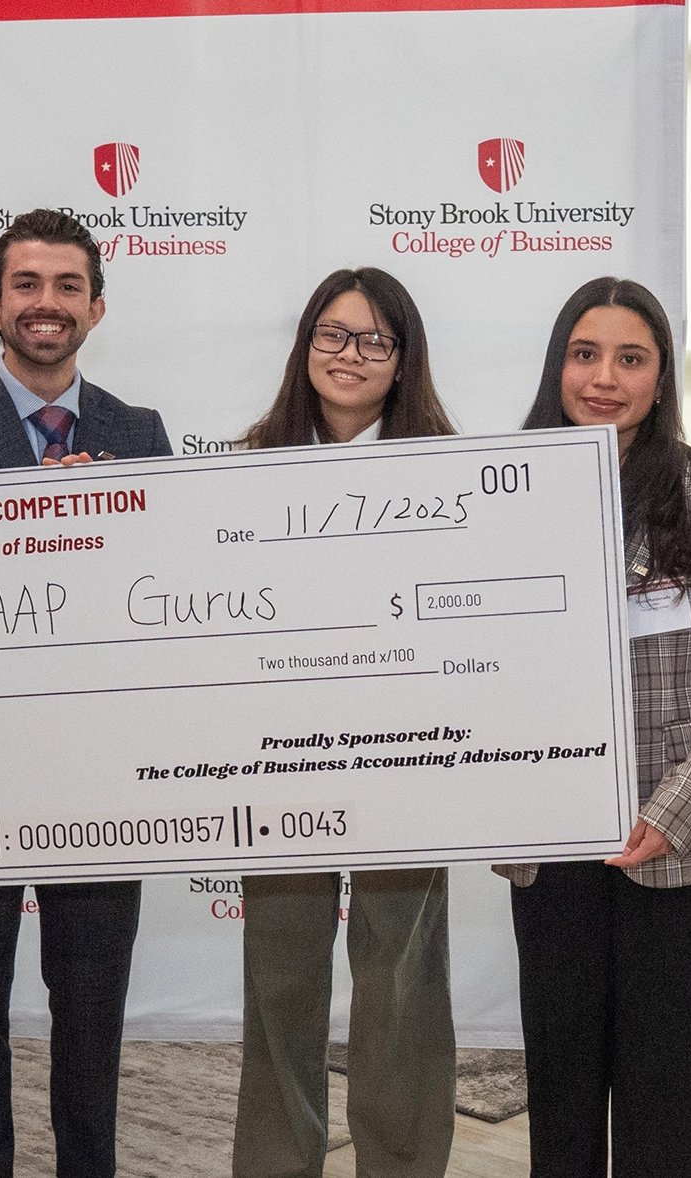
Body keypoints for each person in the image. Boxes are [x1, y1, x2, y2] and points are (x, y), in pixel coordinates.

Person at [0, 207, 172, 1178]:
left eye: (66, 286)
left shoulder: (140, 435)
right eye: (25, 284)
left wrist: (104, 528)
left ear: (97, 307)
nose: (45, 303)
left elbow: (167, 605)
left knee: (91, 1016)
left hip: (101, 778)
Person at [498, 277, 691, 1178]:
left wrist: (673, 811)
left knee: (665, 1083)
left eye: (631, 358)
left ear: (660, 376)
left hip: (678, 835)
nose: (604, 378)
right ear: (557, 365)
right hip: (551, 831)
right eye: (585, 354)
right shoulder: (502, 488)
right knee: (561, 1079)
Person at [228, 267, 460, 1178]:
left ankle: (400, 1163)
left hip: (408, 759)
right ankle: (276, 1162)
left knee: (401, 983)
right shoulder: (246, 467)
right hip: (279, 760)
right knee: (279, 977)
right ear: (305, 348)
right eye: (332, 334)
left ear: (403, 359)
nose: (350, 354)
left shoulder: (455, 473)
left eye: (373, 340)